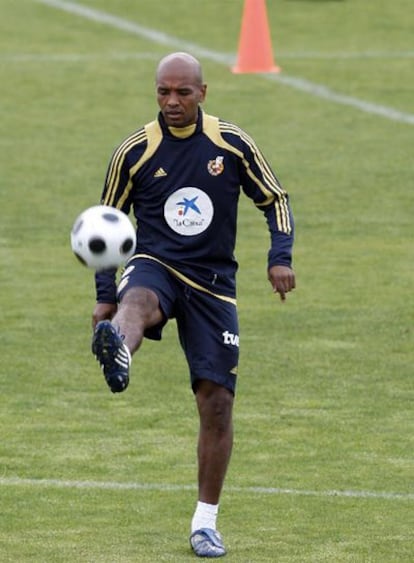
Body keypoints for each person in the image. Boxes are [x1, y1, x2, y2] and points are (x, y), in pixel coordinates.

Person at [91, 51, 295, 558]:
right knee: (135, 300)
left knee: (217, 403)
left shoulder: (232, 143)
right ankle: (118, 345)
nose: (172, 101)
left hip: (212, 282)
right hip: (155, 262)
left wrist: (279, 257)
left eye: (183, 92)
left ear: (204, 93)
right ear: (155, 92)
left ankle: (205, 523)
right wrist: (103, 298)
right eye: (163, 92)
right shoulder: (135, 151)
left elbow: (275, 199)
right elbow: (107, 224)